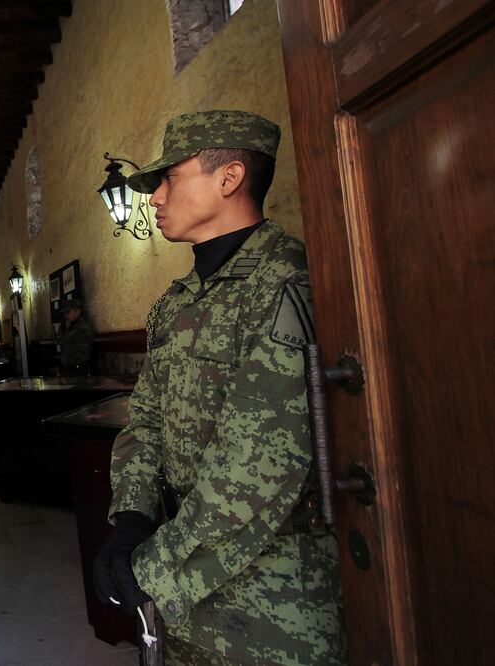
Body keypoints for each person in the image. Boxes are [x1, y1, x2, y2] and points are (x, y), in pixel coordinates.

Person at [92, 110, 345, 665]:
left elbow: (260, 462)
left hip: (271, 599)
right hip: (185, 582)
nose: (154, 197)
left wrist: (152, 566)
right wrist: (132, 519)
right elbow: (146, 421)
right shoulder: (178, 301)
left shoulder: (285, 282)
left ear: (228, 178)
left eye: (169, 179)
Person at [58, 299, 94, 376]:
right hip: (71, 369)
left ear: (77, 311)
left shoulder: (83, 327)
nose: (65, 315)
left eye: (68, 312)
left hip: (78, 370)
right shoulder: (72, 327)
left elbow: (82, 354)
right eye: (64, 313)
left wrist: (67, 363)